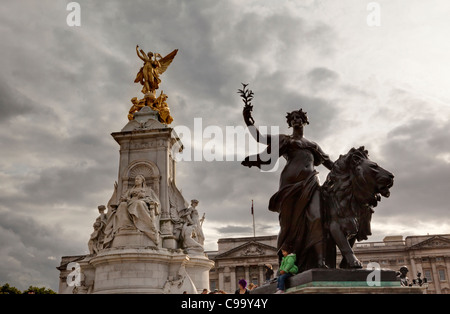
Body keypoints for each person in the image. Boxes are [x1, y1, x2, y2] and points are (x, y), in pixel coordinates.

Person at [242, 106, 333, 271]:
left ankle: (320, 262)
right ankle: (283, 264)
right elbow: (260, 138)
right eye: (293, 118)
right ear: (290, 123)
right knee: (287, 226)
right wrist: (247, 120)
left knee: (317, 217)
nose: (296, 120)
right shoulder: (286, 140)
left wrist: (349, 169)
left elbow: (330, 164)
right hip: (289, 186)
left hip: (312, 183)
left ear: (304, 121)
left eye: (299, 117)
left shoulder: (313, 145)